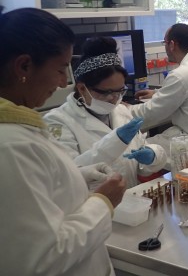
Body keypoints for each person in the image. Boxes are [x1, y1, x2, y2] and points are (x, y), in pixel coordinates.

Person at [0, 7, 126, 276]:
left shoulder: (20, 128)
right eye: (60, 69)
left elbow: (31, 194)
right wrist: (102, 202)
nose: (62, 82)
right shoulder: (11, 145)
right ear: (24, 66)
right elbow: (41, 259)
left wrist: (78, 176)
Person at [45, 37, 167, 188]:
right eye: (107, 92)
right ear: (82, 88)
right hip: (92, 206)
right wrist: (115, 141)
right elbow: (69, 176)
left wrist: (152, 156)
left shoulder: (121, 111)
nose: (114, 99)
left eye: (120, 91)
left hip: (132, 201)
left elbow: (141, 168)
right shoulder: (58, 122)